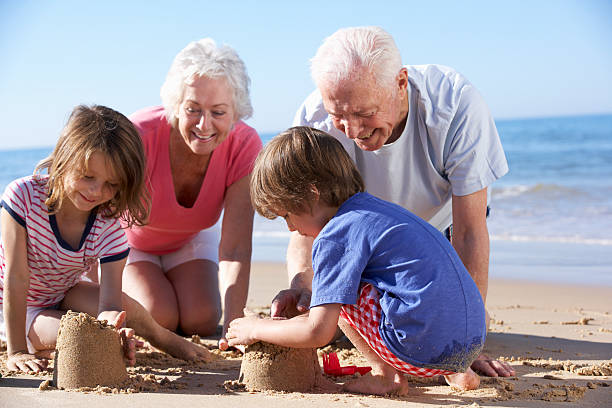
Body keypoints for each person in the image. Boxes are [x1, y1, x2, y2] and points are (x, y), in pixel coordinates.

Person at [274, 26, 513, 377]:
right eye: (339, 115)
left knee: (467, 325)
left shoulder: (456, 104)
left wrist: (466, 349)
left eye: (363, 112)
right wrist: (301, 283)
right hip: (366, 242)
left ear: (401, 83)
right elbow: (307, 225)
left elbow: (470, 232)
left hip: (440, 240)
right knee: (328, 316)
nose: (352, 131)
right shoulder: (316, 120)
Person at [227, 127, 485, 396]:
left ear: (313, 194)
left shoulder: (335, 235)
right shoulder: (375, 210)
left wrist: (257, 328)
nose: (291, 228)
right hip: (470, 343)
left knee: (339, 291)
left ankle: (386, 376)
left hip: (419, 347)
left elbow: (317, 331)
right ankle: (457, 371)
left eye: (287, 215)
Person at [0, 105, 211, 373]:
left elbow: (110, 304)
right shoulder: (23, 197)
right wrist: (16, 351)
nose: (96, 192)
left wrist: (112, 329)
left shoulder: (107, 225)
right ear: (64, 158)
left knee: (124, 309)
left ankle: (162, 337)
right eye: (87, 176)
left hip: (65, 292)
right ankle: (34, 341)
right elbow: (16, 279)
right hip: (18, 304)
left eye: (111, 184)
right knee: (76, 335)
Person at [121, 38, 262, 350]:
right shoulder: (139, 134)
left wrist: (234, 327)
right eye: (193, 109)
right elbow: (98, 216)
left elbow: (236, 246)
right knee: (159, 316)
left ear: (236, 111)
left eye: (218, 112)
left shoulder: (245, 145)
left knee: (202, 319)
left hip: (190, 239)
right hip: (130, 244)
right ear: (175, 104)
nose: (204, 124)